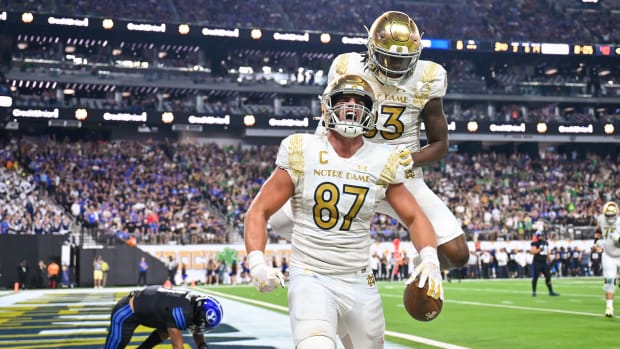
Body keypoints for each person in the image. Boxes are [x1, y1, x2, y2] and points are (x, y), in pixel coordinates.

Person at [244, 74, 443, 349]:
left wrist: (430, 259)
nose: (351, 106)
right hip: (311, 274)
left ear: (371, 112)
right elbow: (258, 211)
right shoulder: (302, 148)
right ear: (327, 107)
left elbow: (415, 216)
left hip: (360, 280)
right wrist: (256, 264)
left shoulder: (382, 158)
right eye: (343, 99)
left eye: (359, 100)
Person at [268, 10, 469, 270]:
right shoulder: (347, 67)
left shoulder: (428, 78)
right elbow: (328, 120)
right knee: (280, 221)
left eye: (402, 60)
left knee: (457, 254)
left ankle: (420, 264)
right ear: (371, 50)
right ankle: (334, 261)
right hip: (350, 171)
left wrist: (411, 159)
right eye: (389, 58)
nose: (395, 66)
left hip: (399, 177)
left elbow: (440, 144)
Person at [104, 285, 223, 349]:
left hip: (144, 307)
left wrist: (202, 346)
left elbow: (197, 325)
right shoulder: (182, 312)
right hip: (126, 313)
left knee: (166, 328)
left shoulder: (193, 303)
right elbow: (177, 345)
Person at [593, 201, 620, 317]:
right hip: (608, 254)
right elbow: (599, 230)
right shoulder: (601, 219)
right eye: (607, 215)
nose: (609, 218)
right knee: (609, 280)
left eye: (611, 215)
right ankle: (609, 307)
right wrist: (597, 243)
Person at [530, 231, 560, 297]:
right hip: (537, 262)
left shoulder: (545, 243)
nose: (542, 237)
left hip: (544, 263)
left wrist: (550, 260)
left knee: (548, 277)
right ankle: (534, 292)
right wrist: (539, 249)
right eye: (540, 235)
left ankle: (551, 291)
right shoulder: (534, 243)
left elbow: (547, 252)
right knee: (535, 277)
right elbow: (533, 252)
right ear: (537, 236)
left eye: (543, 235)